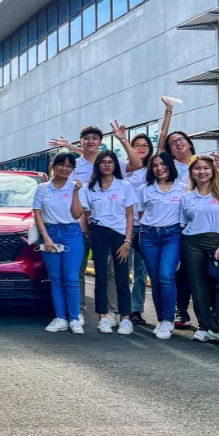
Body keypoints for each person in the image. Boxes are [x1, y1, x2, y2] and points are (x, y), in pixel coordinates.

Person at [50, 121, 142, 326]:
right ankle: (79, 311)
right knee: (79, 270)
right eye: (86, 139)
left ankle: (112, 311)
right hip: (79, 227)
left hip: (110, 229)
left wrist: (123, 140)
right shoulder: (73, 165)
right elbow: (72, 197)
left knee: (110, 271)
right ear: (81, 142)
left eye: (95, 138)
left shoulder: (111, 163)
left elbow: (136, 165)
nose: (91, 142)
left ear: (100, 142)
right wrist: (84, 225)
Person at [157, 97, 219, 329]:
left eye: (180, 140)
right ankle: (182, 311)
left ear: (189, 143)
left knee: (212, 274)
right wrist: (168, 112)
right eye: (172, 142)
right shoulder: (171, 167)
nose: (177, 144)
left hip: (211, 228)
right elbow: (159, 146)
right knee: (184, 273)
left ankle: (215, 316)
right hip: (182, 226)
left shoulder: (204, 164)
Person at [181, 156, 219, 347]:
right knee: (198, 284)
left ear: (213, 170)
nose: (202, 171)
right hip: (192, 242)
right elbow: (184, 223)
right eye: (197, 168)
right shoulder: (187, 196)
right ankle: (204, 327)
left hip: (218, 241)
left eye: (206, 168)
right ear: (192, 172)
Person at [72, 151, 136, 335]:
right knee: (100, 276)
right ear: (97, 165)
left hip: (120, 233)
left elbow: (130, 215)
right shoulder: (89, 188)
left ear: (115, 165)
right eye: (103, 162)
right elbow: (84, 212)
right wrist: (86, 229)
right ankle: (103, 317)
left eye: (110, 162)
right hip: (99, 232)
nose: (107, 165)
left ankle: (125, 318)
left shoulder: (124, 186)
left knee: (122, 276)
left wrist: (127, 241)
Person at [32, 151, 84, 334]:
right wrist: (46, 237)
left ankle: (75, 318)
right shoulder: (43, 188)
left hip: (72, 232)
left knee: (71, 279)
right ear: (53, 166)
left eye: (69, 166)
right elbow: (37, 214)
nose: (65, 168)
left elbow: (78, 214)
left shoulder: (75, 187)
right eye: (61, 164)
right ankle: (61, 317)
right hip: (50, 232)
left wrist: (76, 192)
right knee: (55, 279)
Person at [137, 152, 185, 339]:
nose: (159, 168)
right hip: (148, 236)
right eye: (155, 165)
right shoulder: (145, 189)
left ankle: (168, 319)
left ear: (169, 166)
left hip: (172, 235)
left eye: (162, 164)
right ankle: (161, 320)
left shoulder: (183, 189)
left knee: (166, 277)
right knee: (155, 279)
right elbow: (141, 214)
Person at [125, 133, 153, 324]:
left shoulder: (153, 169)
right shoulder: (124, 167)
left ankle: (136, 309)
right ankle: (122, 308)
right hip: (125, 226)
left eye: (145, 145)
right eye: (137, 145)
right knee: (122, 270)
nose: (141, 148)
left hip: (145, 227)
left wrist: (168, 113)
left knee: (141, 272)